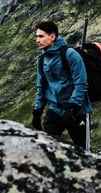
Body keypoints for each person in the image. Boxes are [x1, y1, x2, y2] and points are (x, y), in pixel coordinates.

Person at [32, 20, 91, 150]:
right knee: (47, 148)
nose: (37, 40)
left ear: (52, 37)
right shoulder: (42, 60)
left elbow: (81, 83)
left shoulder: (70, 54)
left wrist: (73, 107)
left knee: (83, 152)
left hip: (78, 111)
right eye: (36, 36)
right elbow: (41, 87)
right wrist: (37, 112)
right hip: (55, 109)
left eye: (41, 36)